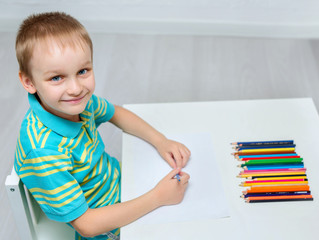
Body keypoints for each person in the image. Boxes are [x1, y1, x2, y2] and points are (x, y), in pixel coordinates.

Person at [14, 11, 191, 240]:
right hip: (107, 228)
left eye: (82, 71)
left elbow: (115, 112)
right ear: (29, 82)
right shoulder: (43, 151)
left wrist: (161, 141)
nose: (76, 88)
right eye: (57, 77)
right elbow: (87, 225)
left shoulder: (75, 105)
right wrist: (158, 197)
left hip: (123, 187)